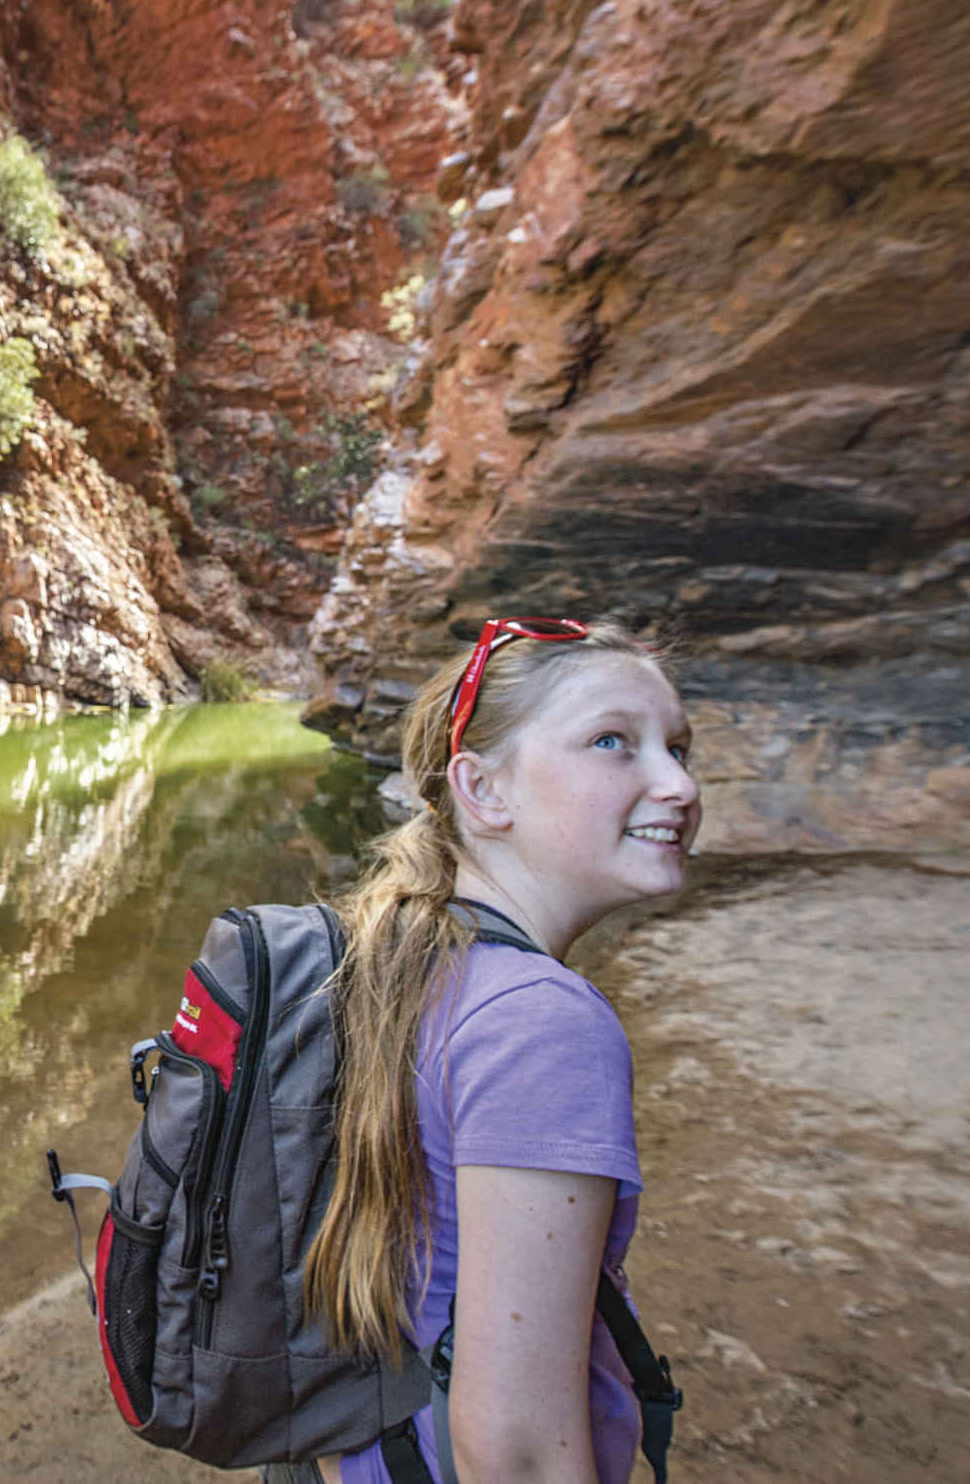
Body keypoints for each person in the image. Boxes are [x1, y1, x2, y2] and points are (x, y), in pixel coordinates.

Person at [282, 617, 699, 1484]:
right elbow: (511, 1451)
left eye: (678, 746)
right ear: (482, 788)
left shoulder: (401, 959)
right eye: (612, 742)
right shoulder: (543, 1024)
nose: (677, 784)